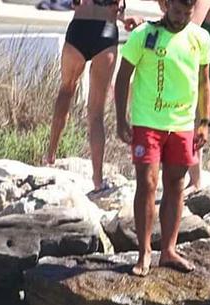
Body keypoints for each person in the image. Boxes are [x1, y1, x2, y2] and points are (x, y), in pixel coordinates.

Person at [124, 0, 210, 209]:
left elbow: (186, 28)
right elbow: (168, 24)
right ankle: (196, 182)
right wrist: (139, 23)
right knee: (194, 124)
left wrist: (146, 24)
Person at [115, 0, 210, 276]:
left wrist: (203, 122)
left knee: (176, 184)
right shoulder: (143, 34)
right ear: (166, 6)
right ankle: (144, 251)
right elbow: (123, 77)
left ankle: (168, 250)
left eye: (187, 13)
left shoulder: (200, 37)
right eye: (177, 12)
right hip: (147, 122)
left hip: (182, 124)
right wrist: (121, 119)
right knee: (146, 182)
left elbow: (204, 81)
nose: (181, 18)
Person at [44, 0, 131, 192]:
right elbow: (116, 8)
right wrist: (125, 18)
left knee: (66, 90)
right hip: (106, 32)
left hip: (79, 29)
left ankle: (50, 155)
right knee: (96, 112)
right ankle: (97, 179)